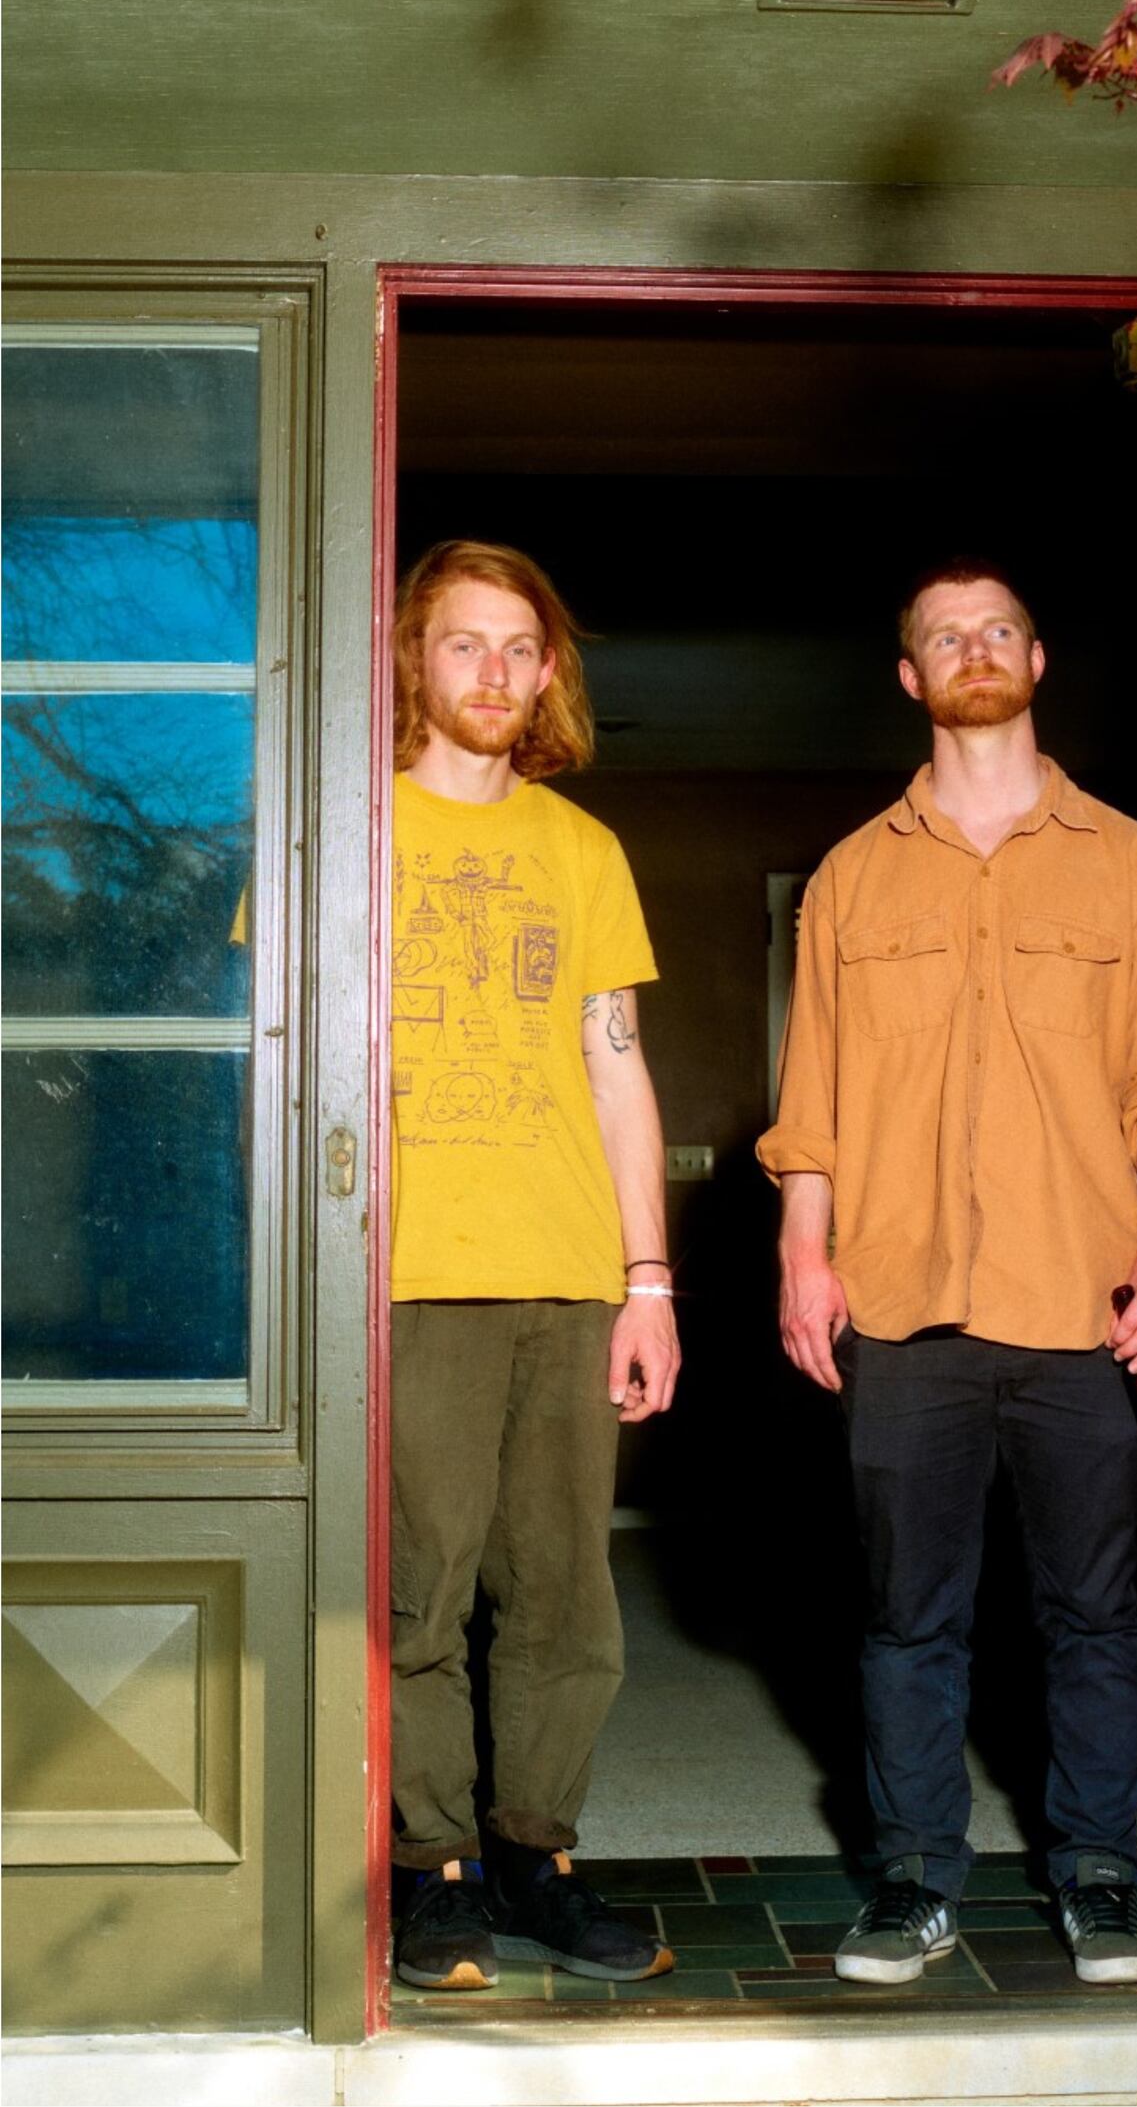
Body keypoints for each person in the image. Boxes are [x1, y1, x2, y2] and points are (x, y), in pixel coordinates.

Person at [758, 558, 1137, 1988]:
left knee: (1095, 1608)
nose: (974, 648)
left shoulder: (1131, 862)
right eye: (944, 634)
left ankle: (1100, 1870)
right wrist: (802, 1255)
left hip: (1088, 1299)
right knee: (908, 1616)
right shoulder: (850, 874)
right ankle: (913, 1880)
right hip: (901, 1304)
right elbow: (811, 1101)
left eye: (997, 627)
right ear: (911, 676)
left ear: (1037, 656)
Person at [388, 539, 680, 1992]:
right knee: (418, 1591)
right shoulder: (349, 826)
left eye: (520, 647)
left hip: (568, 1277)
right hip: (404, 1275)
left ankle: (532, 1851)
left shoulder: (585, 849)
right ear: (413, 660)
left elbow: (618, 1074)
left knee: (566, 1595)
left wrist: (651, 1282)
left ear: (546, 671)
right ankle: (428, 1863)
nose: (493, 671)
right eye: (464, 643)